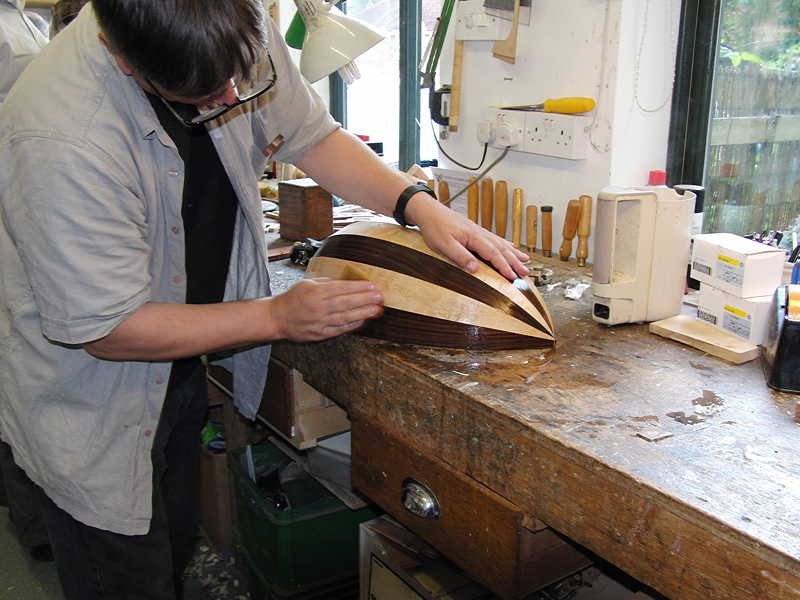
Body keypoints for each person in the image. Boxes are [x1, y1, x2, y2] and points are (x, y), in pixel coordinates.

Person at [0, 1, 529, 598]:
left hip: (175, 362)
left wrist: (417, 205)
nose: (233, 98)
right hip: (93, 391)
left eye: (238, 75)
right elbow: (107, 328)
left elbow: (313, 136)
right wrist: (276, 316)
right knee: (121, 570)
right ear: (124, 59)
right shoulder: (58, 136)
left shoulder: (230, 21)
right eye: (203, 96)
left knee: (173, 537)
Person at [0, 0, 52, 563]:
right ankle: (36, 526)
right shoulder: (8, 30)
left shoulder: (26, 22)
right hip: (14, 210)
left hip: (30, 210)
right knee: (20, 373)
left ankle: (40, 517)